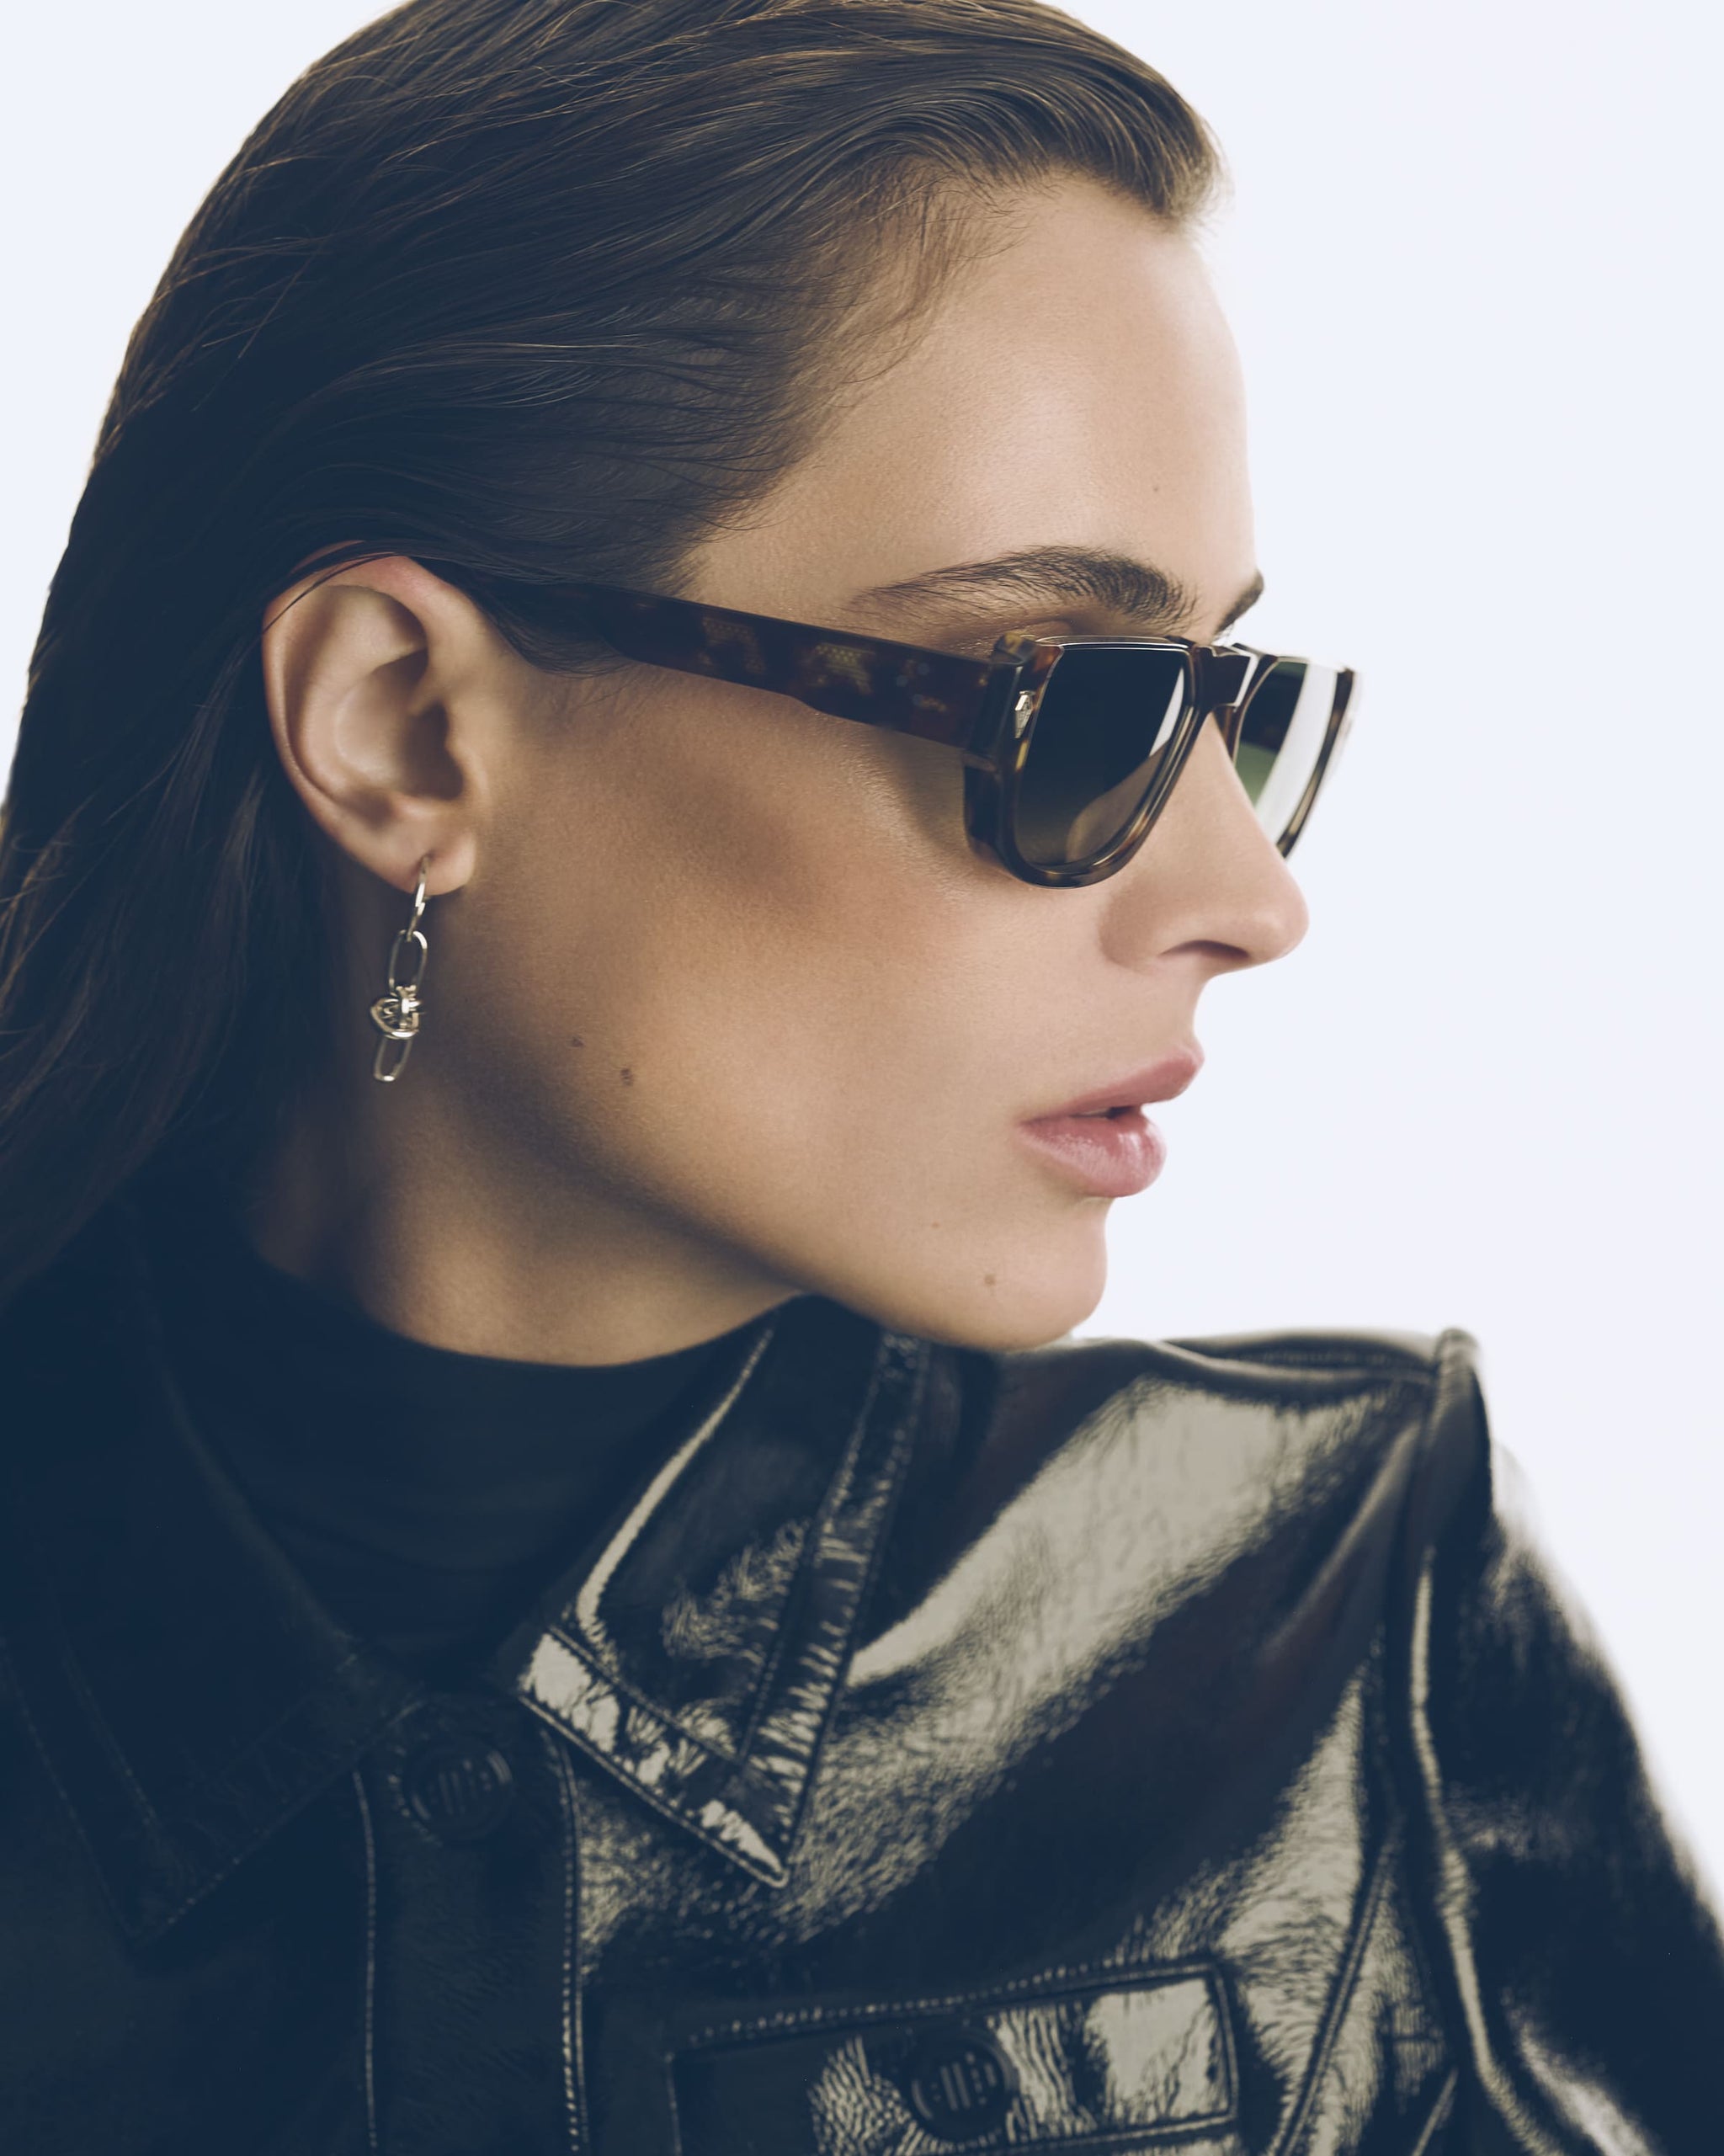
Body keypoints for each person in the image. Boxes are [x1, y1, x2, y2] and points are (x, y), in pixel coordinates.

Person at [0, 1, 1716, 2150]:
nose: (1247, 899)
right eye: (1069, 708)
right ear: (403, 727)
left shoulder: (1338, 1622)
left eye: (1231, 707)